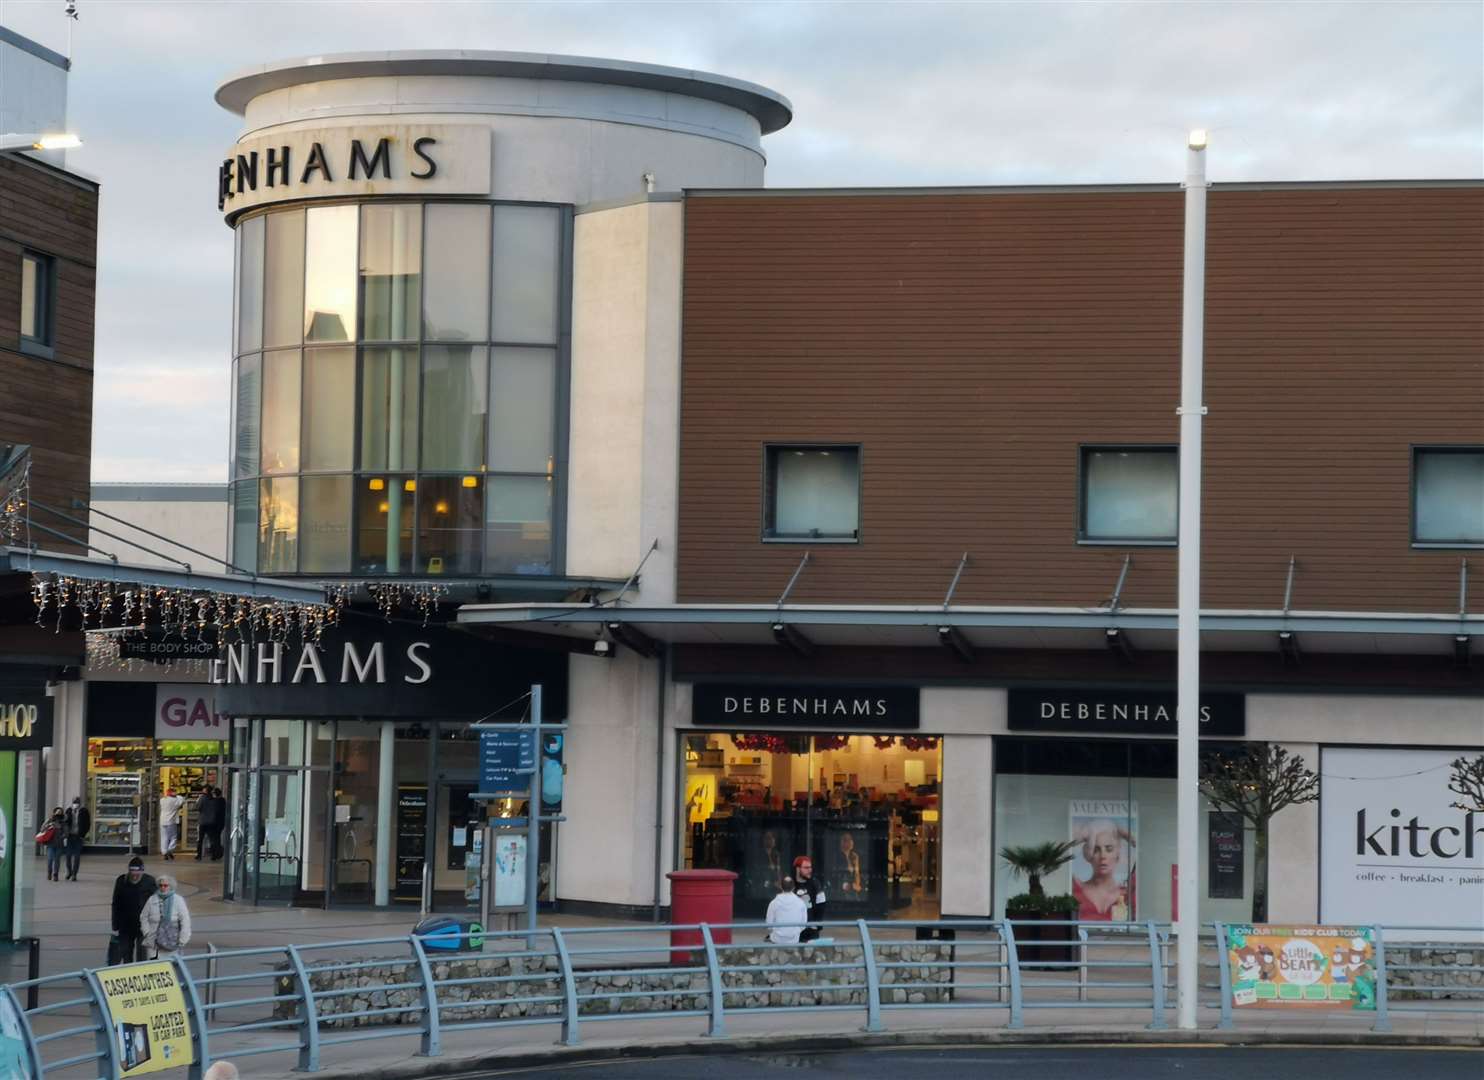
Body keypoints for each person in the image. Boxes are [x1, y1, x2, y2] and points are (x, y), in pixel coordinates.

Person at [1072, 819, 1136, 922]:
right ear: (1088, 854)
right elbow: (1056, 851)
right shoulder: (1075, 888)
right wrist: (1086, 832)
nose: (1103, 856)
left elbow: (1146, 847)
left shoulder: (1128, 892)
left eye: (1109, 849)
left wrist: (1121, 831)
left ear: (1117, 853)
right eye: (1096, 850)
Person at [111, 856, 156, 964]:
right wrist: (115, 924)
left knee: (142, 954)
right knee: (126, 954)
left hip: (143, 924)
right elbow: (115, 903)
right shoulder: (121, 880)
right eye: (132, 871)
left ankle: (141, 973)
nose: (135, 874)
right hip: (125, 925)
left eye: (138, 871)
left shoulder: (149, 881)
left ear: (142, 870)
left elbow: (156, 902)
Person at [140, 874, 192, 960]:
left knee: (171, 967)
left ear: (170, 886)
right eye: (160, 885)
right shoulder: (152, 899)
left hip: (172, 941)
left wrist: (183, 939)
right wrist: (146, 932)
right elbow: (143, 917)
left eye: (165, 885)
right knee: (154, 967)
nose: (162, 887)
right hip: (153, 941)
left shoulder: (178, 900)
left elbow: (185, 920)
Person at [792, 854, 826, 942]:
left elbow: (821, 906)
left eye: (810, 867)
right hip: (793, 929)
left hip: (811, 929)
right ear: (798, 869)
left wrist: (817, 925)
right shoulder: (791, 884)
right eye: (806, 868)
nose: (809, 870)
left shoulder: (816, 884)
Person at [765, 876, 809, 944]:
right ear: (794, 887)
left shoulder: (773, 903)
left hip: (776, 939)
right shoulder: (801, 903)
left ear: (781, 887)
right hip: (794, 939)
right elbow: (803, 925)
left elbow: (769, 925)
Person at [63, 795, 90, 881]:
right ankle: (69, 872)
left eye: (77, 803)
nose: (76, 804)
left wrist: (83, 834)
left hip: (79, 836)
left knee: (77, 856)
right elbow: (65, 822)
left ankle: (74, 874)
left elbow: (87, 824)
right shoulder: (69, 810)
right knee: (68, 856)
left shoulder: (84, 811)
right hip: (70, 836)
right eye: (74, 803)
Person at [158, 788, 185, 861]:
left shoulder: (162, 800)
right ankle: (170, 849)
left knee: (164, 837)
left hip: (162, 821)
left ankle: (164, 852)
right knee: (173, 837)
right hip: (171, 821)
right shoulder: (176, 801)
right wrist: (177, 795)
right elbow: (182, 800)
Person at [40, 807, 65, 881]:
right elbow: (42, 829)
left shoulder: (63, 822)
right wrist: (48, 825)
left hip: (59, 844)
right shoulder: (49, 820)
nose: (58, 814)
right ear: (54, 813)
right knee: (50, 859)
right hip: (50, 844)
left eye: (60, 812)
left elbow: (66, 833)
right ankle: (49, 873)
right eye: (57, 812)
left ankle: (55, 875)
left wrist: (61, 833)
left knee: (57, 860)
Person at [203, 787, 228, 860]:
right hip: (220, 823)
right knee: (217, 838)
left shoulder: (213, 801)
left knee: (213, 839)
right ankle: (217, 853)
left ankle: (215, 853)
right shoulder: (222, 801)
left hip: (212, 823)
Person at [194, 789, 212, 860]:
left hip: (202, 821)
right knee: (211, 838)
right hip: (211, 821)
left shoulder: (202, 798)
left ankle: (199, 854)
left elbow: (197, 807)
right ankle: (212, 853)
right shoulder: (212, 798)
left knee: (200, 839)